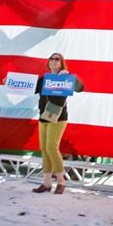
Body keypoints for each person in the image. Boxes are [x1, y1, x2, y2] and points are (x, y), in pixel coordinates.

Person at [31, 52, 84, 195]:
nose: (53, 61)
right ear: (48, 62)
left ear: (61, 63)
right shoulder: (44, 79)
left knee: (52, 148)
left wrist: (70, 75)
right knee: (44, 149)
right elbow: (29, 87)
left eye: (57, 59)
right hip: (43, 117)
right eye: (51, 59)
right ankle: (47, 183)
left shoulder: (65, 77)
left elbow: (80, 88)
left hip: (58, 118)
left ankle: (61, 181)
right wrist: (10, 82)